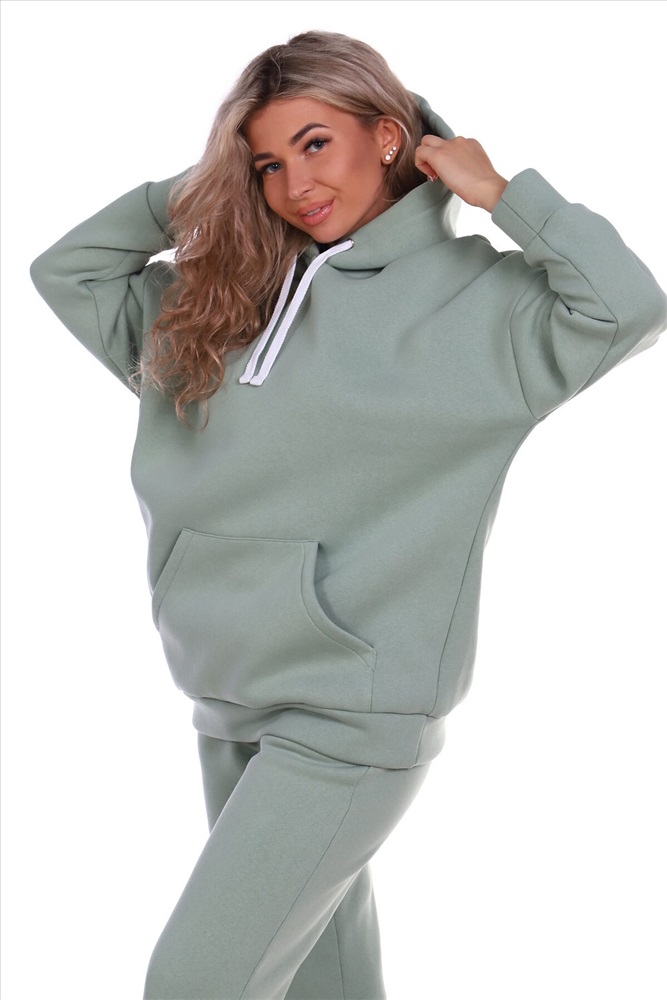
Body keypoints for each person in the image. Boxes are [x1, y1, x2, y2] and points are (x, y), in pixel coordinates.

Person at [30, 28, 666, 1000]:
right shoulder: (215, 301)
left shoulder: (482, 309)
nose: (295, 185)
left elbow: (626, 307)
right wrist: (207, 187)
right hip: (225, 692)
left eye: (316, 143)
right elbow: (69, 270)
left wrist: (503, 195)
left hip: (350, 712)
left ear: (387, 134)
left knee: (195, 982)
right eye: (267, 164)